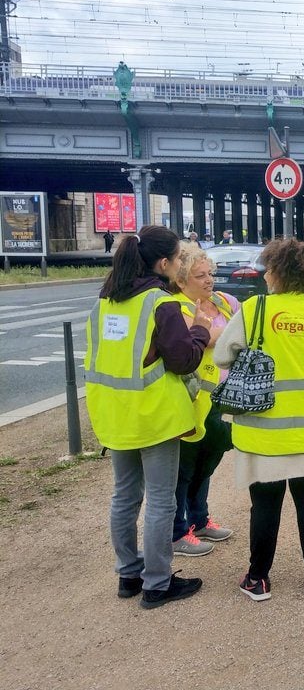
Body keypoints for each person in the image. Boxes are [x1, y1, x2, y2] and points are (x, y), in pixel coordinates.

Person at [84, 225, 211, 609]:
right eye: (176, 259)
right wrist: (201, 332)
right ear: (163, 262)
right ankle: (157, 583)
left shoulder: (106, 300)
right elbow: (183, 359)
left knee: (124, 496)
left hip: (113, 412)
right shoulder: (160, 303)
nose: (178, 265)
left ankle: (129, 574)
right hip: (154, 414)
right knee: (159, 500)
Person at [214, 238, 304, 601]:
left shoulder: (255, 309)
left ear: (277, 273)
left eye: (268, 269)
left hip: (263, 431)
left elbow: (223, 355)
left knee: (265, 504)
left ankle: (258, 578)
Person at [168, 243, 238, 557]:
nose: (209, 280)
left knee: (209, 463)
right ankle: (178, 531)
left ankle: (199, 519)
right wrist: (233, 334)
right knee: (185, 468)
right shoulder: (175, 307)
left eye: (210, 273)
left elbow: (244, 330)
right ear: (181, 282)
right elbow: (203, 339)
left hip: (223, 399)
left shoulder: (223, 302)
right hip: (191, 401)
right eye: (200, 276)